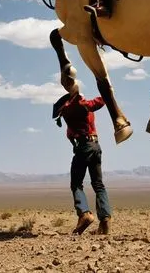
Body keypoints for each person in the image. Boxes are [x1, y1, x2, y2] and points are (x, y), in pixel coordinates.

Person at [52, 80, 112, 235]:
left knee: (77, 184)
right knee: (98, 184)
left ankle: (84, 214)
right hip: (96, 145)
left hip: (83, 147)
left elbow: (69, 135)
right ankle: (105, 221)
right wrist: (107, 90)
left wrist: (75, 144)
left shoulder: (68, 111)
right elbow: (99, 102)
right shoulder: (83, 107)